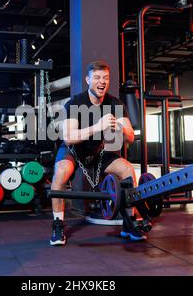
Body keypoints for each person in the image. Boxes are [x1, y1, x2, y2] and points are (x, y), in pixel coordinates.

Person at [50, 60, 146, 246]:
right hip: (73, 151)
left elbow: (130, 138)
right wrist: (98, 126)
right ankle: (58, 224)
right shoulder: (75, 102)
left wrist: (122, 129)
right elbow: (69, 137)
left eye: (105, 78)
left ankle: (128, 222)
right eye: (97, 77)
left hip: (98, 152)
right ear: (88, 80)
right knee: (61, 171)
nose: (101, 81)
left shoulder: (115, 103)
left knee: (127, 170)